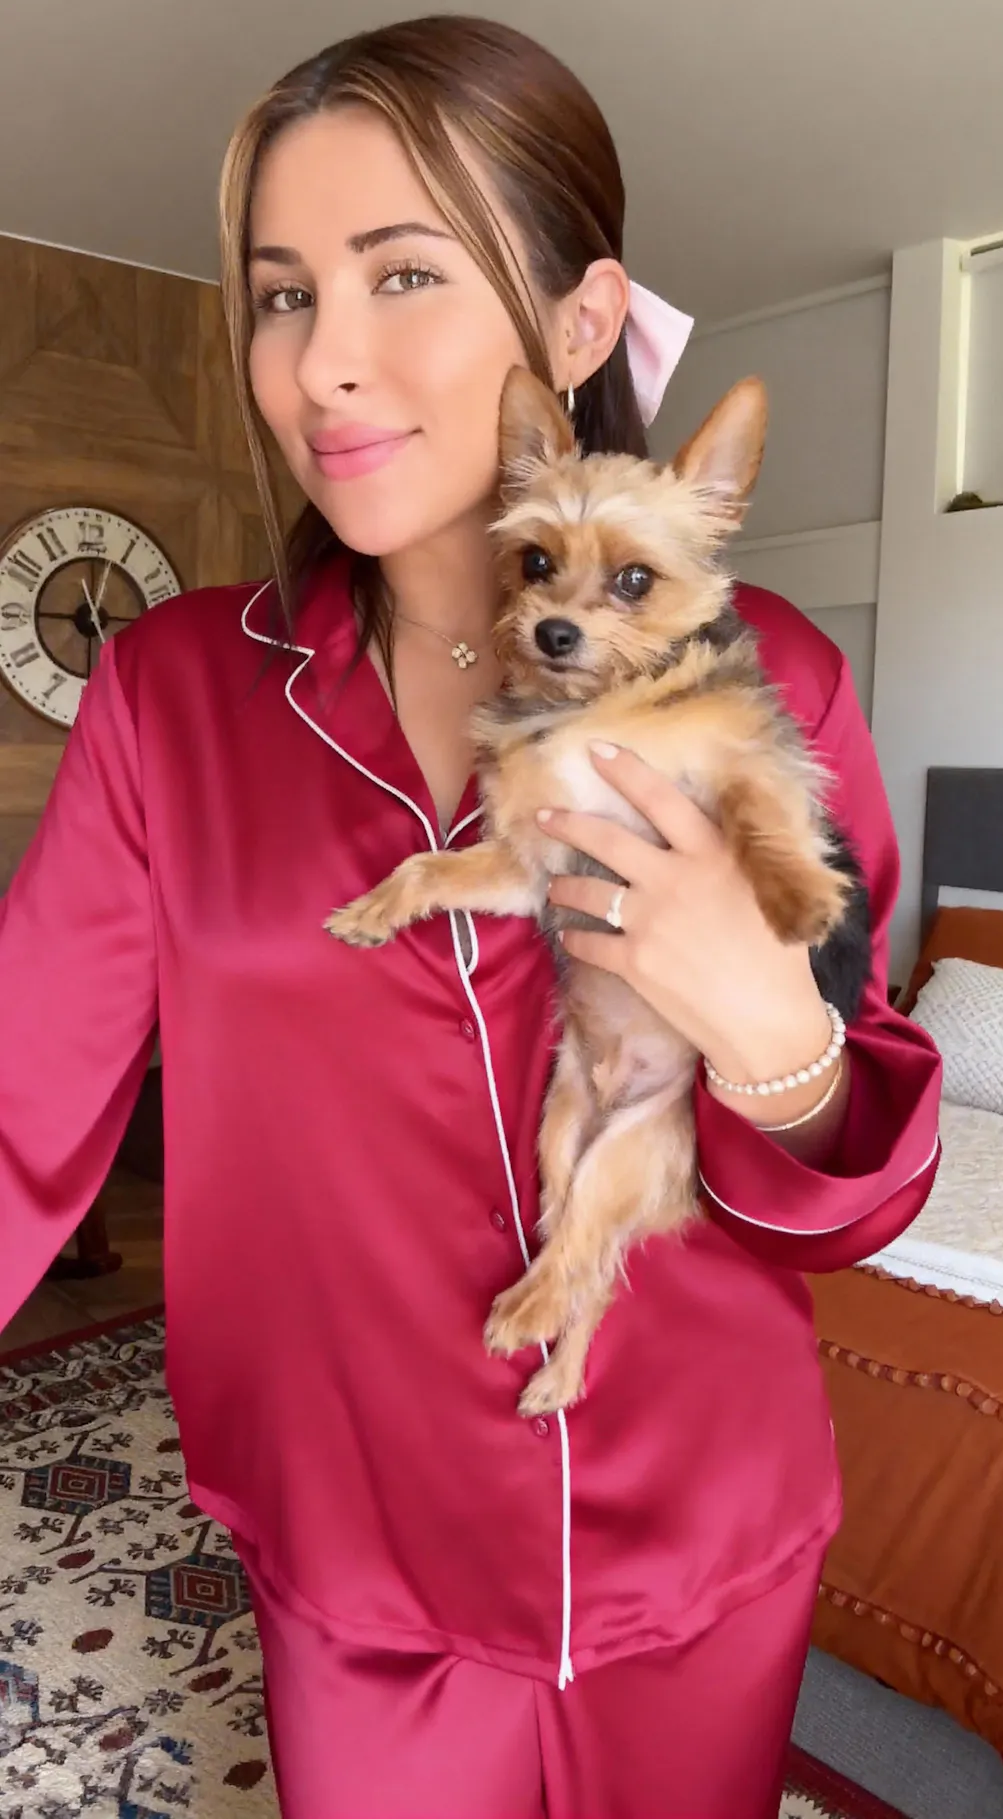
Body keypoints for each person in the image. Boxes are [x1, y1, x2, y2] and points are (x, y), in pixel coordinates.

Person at [0, 17, 941, 1818]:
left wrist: (768, 1028)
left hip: (708, 1533)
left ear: (582, 328)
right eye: (283, 296)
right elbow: (14, 1102)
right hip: (361, 1553)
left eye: (404, 273)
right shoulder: (172, 699)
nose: (323, 364)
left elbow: (861, 1179)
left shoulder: (775, 678)